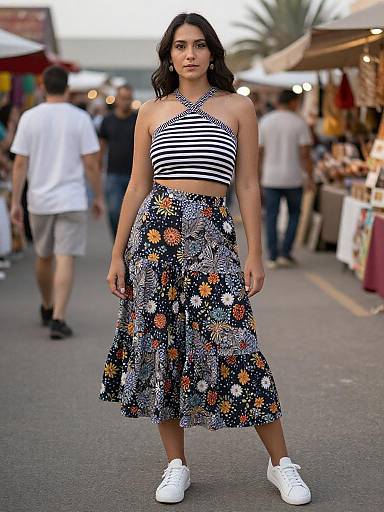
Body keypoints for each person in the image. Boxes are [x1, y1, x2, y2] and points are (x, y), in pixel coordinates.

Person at [100, 13, 311, 507]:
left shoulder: (238, 107)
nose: (189, 54)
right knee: (161, 347)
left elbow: (248, 184)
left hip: (213, 240)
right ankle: (176, 465)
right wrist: (116, 253)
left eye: (197, 45)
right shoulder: (150, 111)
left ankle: (281, 464)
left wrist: (256, 251)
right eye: (179, 46)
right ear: (168, 55)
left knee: (238, 344)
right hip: (154, 241)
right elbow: (136, 185)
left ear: (212, 52)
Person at [10, 65, 104, 339]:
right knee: (66, 257)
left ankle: (48, 306)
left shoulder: (29, 118)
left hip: (38, 199)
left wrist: (16, 202)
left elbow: (19, 164)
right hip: (72, 198)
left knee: (43, 255)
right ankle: (59, 318)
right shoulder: (80, 118)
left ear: (42, 87)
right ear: (67, 88)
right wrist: (97, 196)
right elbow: (91, 164)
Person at [258, 89, 315, 269]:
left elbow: (259, 153)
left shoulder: (265, 121)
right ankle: (285, 253)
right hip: (293, 178)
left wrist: (258, 176)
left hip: (270, 177)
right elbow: (305, 154)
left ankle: (272, 256)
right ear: (292, 103)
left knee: (271, 216)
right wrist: (310, 177)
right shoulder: (299, 123)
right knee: (294, 215)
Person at [99, 84, 138, 238]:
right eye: (122, 98)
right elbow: (102, 144)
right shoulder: (107, 121)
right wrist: (98, 164)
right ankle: (118, 241)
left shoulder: (137, 119)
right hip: (113, 174)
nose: (125, 102)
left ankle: (129, 242)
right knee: (114, 211)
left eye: (128, 98)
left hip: (134, 175)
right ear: (116, 100)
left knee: (133, 213)